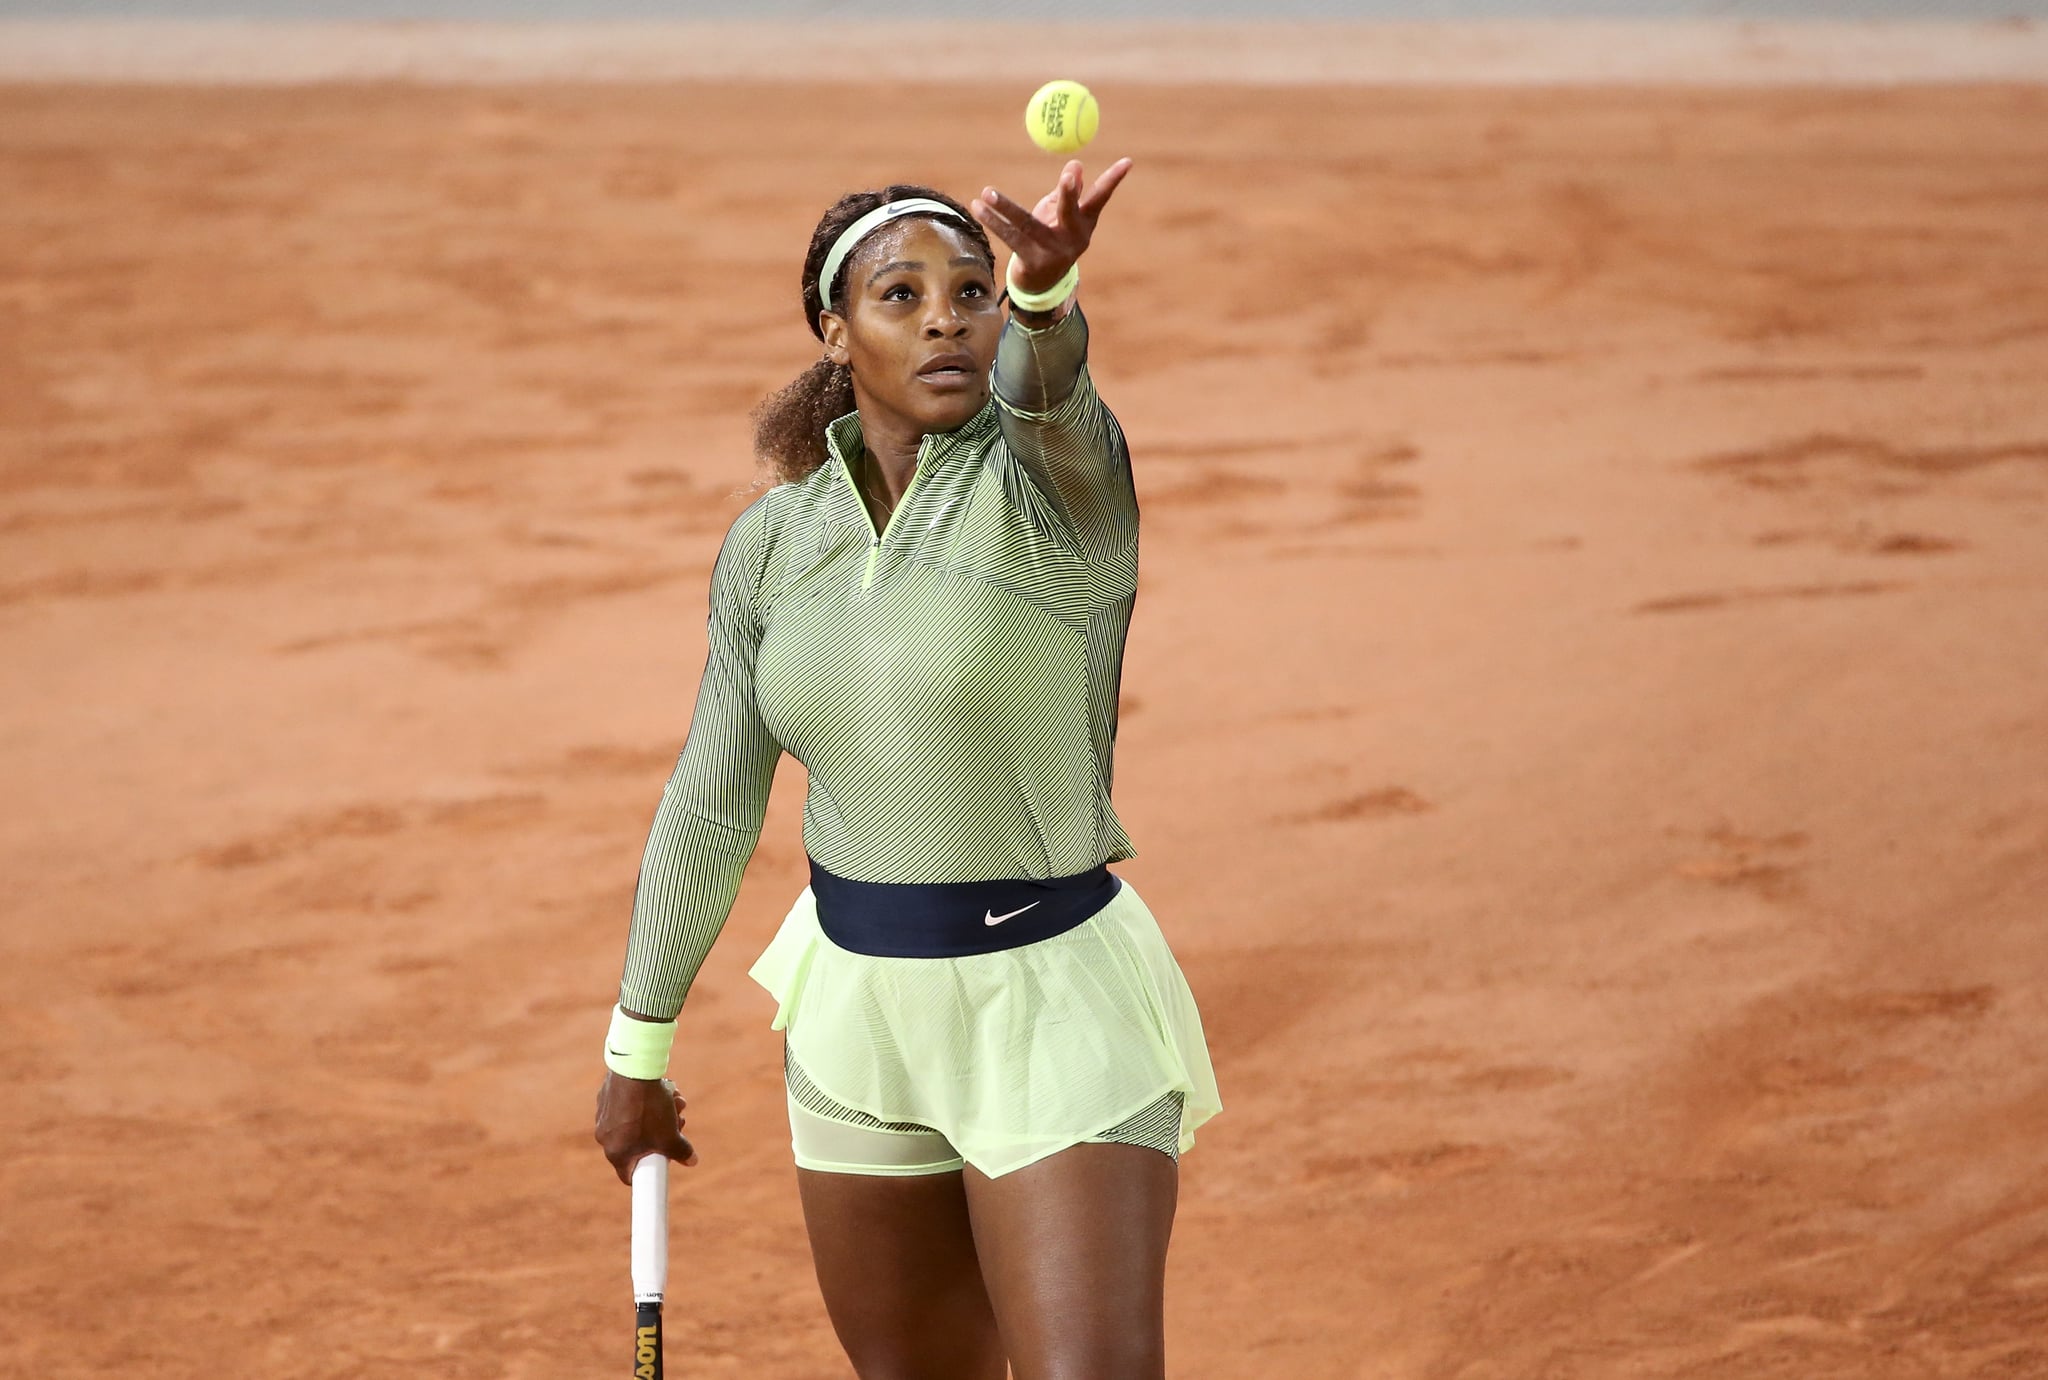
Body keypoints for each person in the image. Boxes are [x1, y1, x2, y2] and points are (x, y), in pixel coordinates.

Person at [593, 156, 1221, 1380]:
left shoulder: (1055, 492)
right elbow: (715, 800)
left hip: (1051, 1011)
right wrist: (637, 1054)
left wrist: (1046, 299)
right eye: (901, 294)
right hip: (855, 1020)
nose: (946, 315)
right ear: (836, 331)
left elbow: (1050, 392)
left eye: (972, 292)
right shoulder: (774, 545)